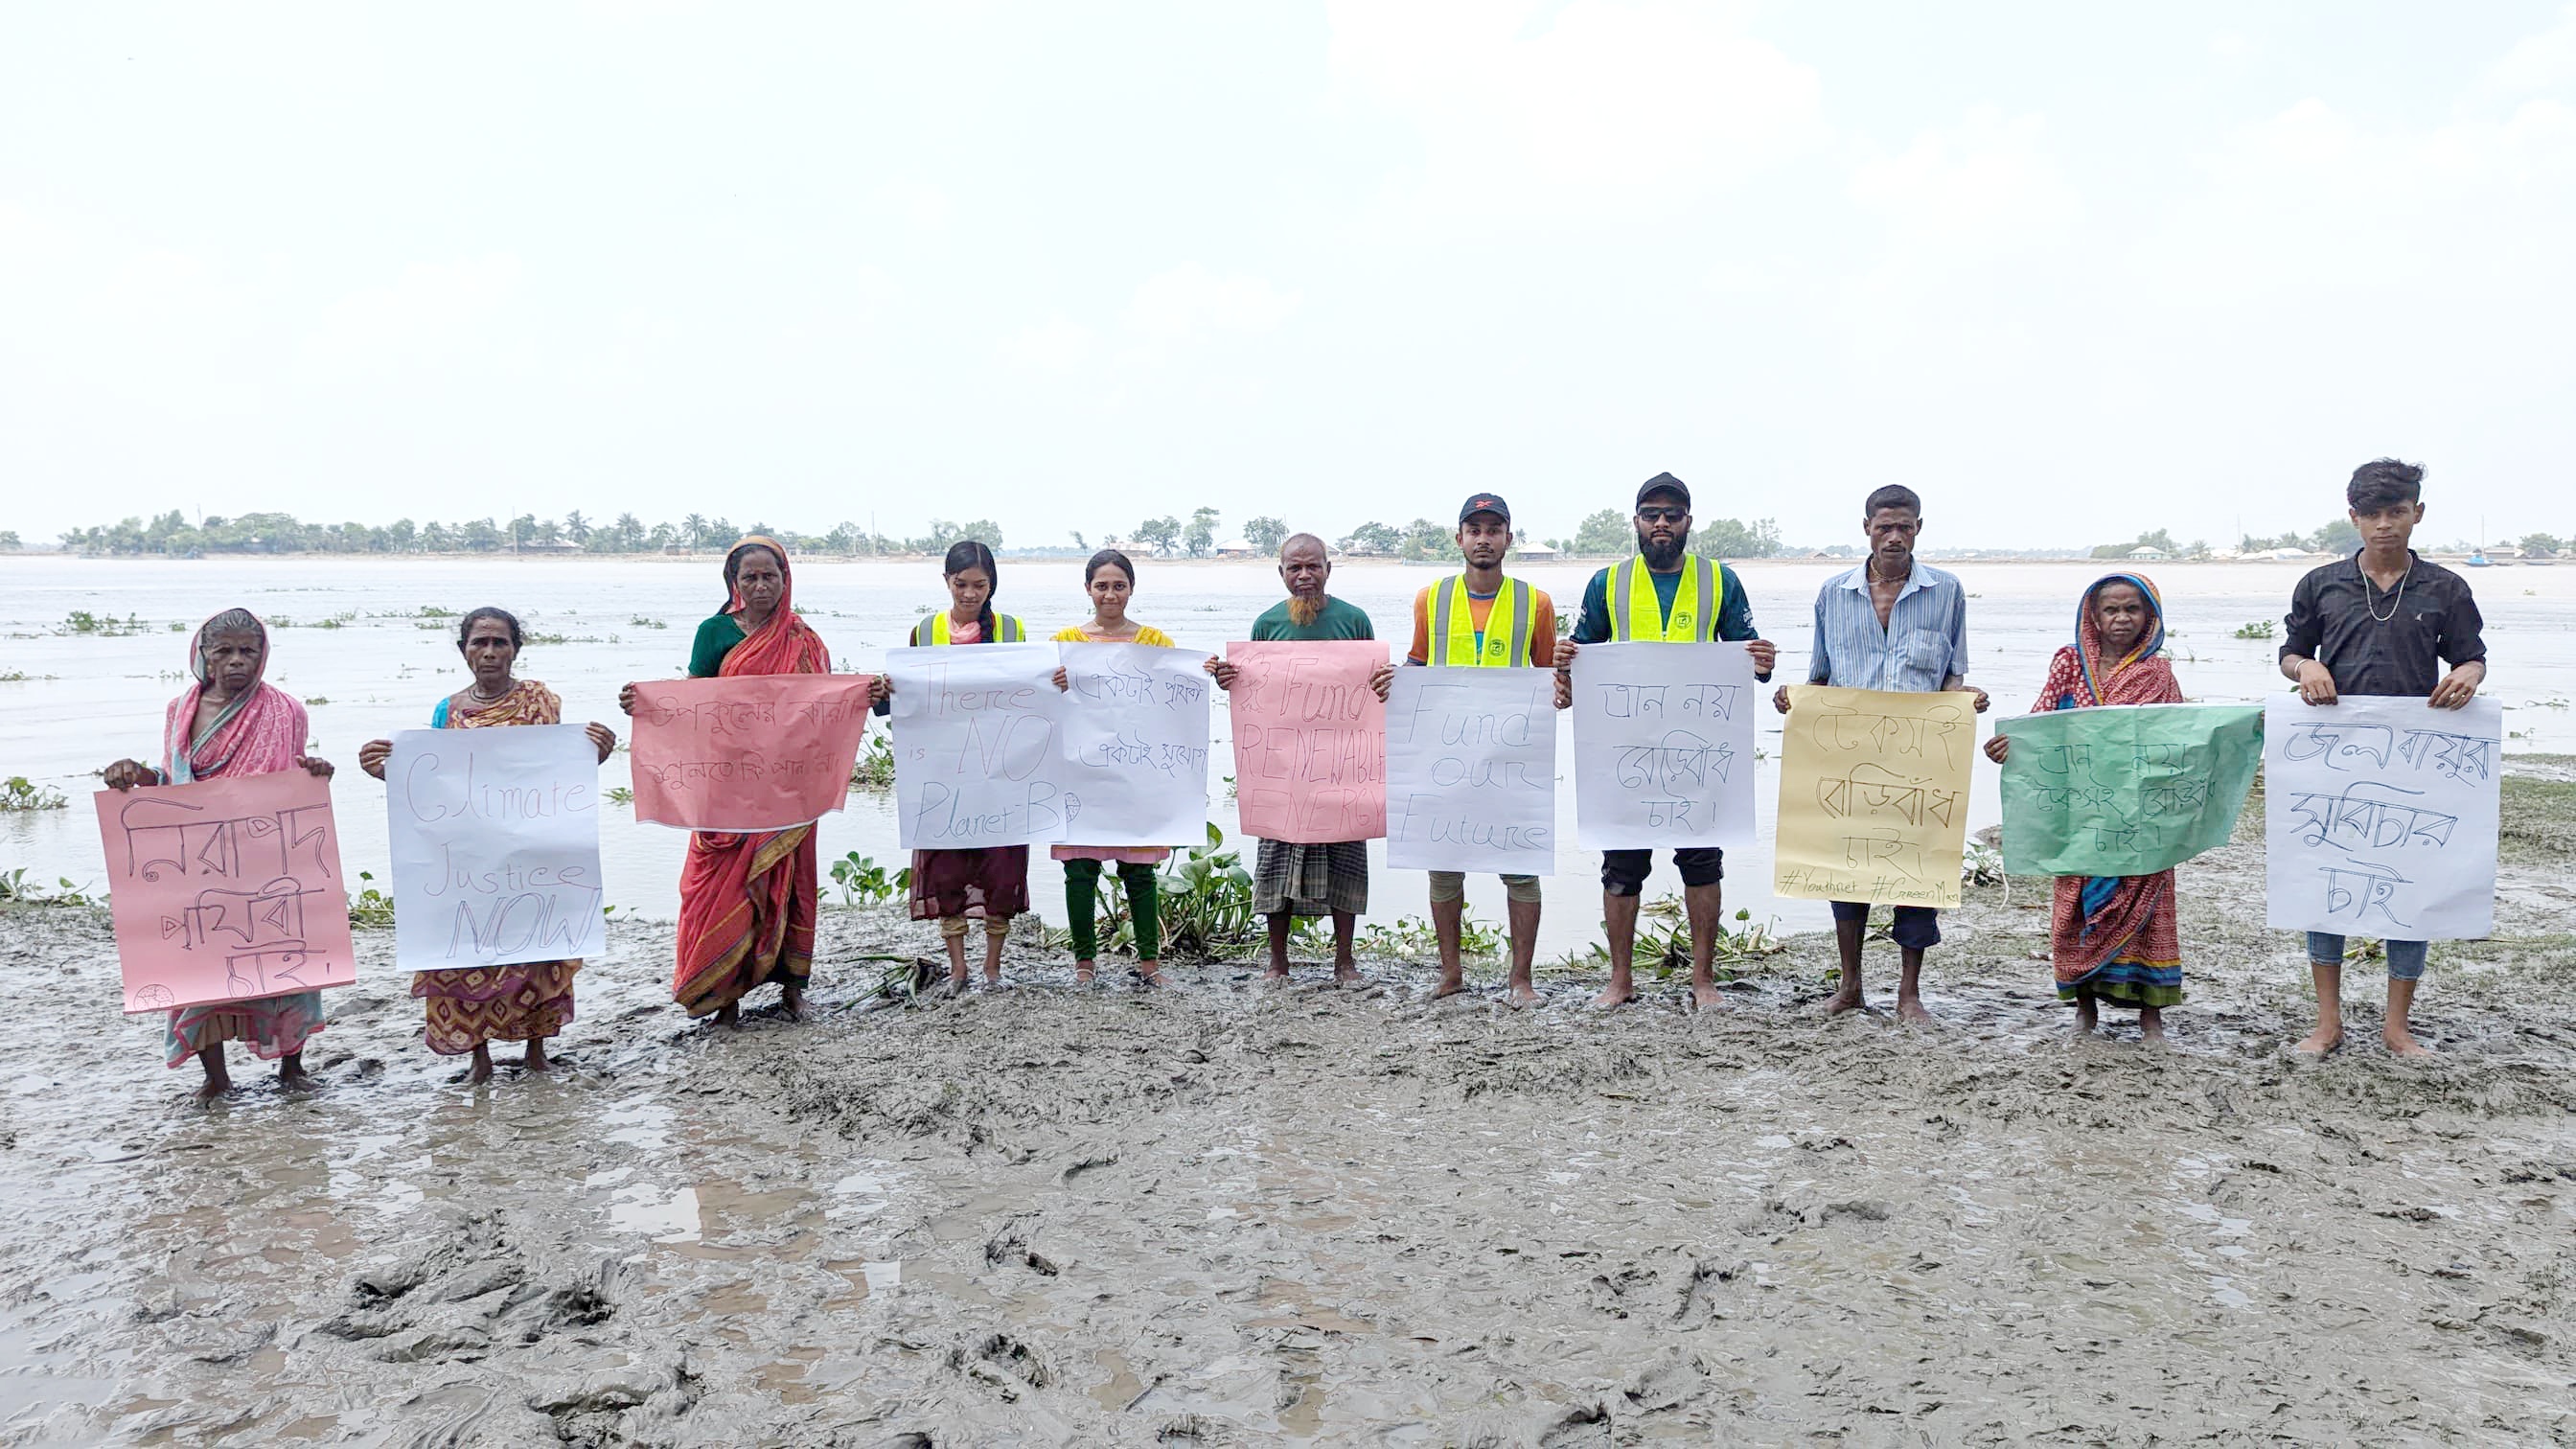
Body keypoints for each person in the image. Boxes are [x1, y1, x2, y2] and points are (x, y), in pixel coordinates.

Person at [2279, 458, 2486, 1058]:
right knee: (2325, 880)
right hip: (2330, 758)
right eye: (2371, 514)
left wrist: (2468, 676)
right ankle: (2328, 1023)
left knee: (2410, 885)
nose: (2384, 525)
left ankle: (2396, 1027)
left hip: (2416, 760)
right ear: (2354, 518)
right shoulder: (2321, 584)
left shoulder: (2446, 588)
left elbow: (2471, 656)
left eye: (2397, 512)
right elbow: (2291, 653)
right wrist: (2307, 667)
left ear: (2417, 513)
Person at [358, 608, 616, 1082]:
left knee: (538, 950)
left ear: (516, 649)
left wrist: (593, 753)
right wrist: (388, 769)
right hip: (471, 863)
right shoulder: (447, 711)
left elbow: (553, 779)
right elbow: (434, 786)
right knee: (465, 954)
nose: (490, 652)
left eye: (500, 643)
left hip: (528, 855)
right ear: (464, 651)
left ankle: (537, 1053)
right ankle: (480, 1060)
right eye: (480, 643)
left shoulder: (541, 703)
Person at [1553, 473, 1778, 1011]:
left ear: (1688, 523)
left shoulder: (1720, 580)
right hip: (1626, 753)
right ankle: (1621, 979)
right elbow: (1584, 656)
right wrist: (1564, 665)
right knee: (1622, 865)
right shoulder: (1606, 584)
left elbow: (1744, 655)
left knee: (1703, 862)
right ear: (1634, 520)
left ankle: (1703, 981)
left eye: (1672, 515)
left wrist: (1763, 663)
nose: (1661, 524)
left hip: (1699, 755)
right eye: (1651, 514)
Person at [1773, 483, 1989, 1023]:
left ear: (1919, 528)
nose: (1894, 536)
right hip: (1848, 758)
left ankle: (1909, 993)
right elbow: (1820, 676)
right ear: (1865, 527)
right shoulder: (1833, 593)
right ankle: (1850, 985)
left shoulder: (1946, 590)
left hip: (1921, 760)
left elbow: (1952, 674)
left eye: (1905, 526)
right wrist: (1793, 699)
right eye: (1884, 526)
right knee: (1846, 871)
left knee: (1918, 871)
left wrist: (1966, 700)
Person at [101, 609, 335, 1102]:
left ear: (262, 655)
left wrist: (313, 772)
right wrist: (137, 777)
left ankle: (292, 1068)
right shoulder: (181, 709)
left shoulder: (285, 710)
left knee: (282, 954)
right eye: (223, 651)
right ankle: (216, 1077)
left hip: (265, 852)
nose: (235, 662)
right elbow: (173, 785)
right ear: (202, 656)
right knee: (201, 962)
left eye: (247, 651)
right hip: (201, 856)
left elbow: (287, 784)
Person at [618, 537, 828, 1025]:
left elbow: (822, 708)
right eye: (749, 577)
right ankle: (722, 996)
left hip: (785, 786)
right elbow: (693, 702)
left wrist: (868, 693)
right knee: (717, 886)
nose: (760, 586)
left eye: (768, 576)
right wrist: (646, 705)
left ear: (785, 579)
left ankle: (793, 990)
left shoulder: (805, 639)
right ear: (733, 583)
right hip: (726, 784)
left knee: (792, 882)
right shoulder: (713, 633)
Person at [1982, 575, 2184, 1041]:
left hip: (2138, 818)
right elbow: (2043, 721)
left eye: (2131, 609)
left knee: (2147, 910)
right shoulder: (2069, 663)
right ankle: (2085, 1007)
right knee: (2076, 906)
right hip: (2080, 810)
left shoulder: (2158, 674)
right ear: (2092, 615)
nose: (2121, 619)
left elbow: (2178, 739)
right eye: (2110, 610)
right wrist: (2012, 745)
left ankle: (2150, 1016)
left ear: (2148, 615)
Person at [1205, 533, 1393, 984]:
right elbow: (1253, 694)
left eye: (1313, 567)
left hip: (1342, 766)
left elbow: (1372, 686)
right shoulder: (1267, 625)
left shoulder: (1354, 621)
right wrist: (1228, 678)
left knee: (1347, 858)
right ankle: (1277, 962)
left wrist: (1388, 680)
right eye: (1295, 568)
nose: (1304, 575)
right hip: (1285, 770)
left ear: (1328, 569)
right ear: (1282, 573)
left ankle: (1345, 961)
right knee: (1275, 862)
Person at [1399, 493, 1559, 1004]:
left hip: (1511, 760)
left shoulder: (1536, 603)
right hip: (1445, 756)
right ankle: (1451, 974)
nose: (1484, 538)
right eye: (1475, 529)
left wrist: (1565, 689)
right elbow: (1419, 663)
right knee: (1443, 865)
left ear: (1509, 538)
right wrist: (1395, 683)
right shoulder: (1431, 598)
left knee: (1522, 866)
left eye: (1494, 529)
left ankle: (1521, 979)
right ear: (1459, 537)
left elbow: (1547, 678)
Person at [870, 540, 1031, 994]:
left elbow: (1028, 693)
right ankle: (959, 968)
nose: (969, 594)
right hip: (942, 773)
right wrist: (883, 693)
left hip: (1000, 770)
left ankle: (993, 968)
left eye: (979, 585)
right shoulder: (924, 632)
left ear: (992, 585)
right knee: (948, 870)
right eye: (961, 584)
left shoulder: (1013, 629)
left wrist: (1052, 681)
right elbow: (904, 703)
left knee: (1001, 870)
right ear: (946, 582)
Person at [1047, 548, 1176, 989]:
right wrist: (1055, 684)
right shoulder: (1065, 642)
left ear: (1131, 589)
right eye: (1101, 585)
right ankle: (1084, 961)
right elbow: (1044, 704)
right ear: (1087, 589)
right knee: (1079, 869)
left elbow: (1176, 701)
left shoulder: (1155, 643)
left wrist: (1206, 672)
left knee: (1139, 870)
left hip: (1134, 772)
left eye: (1118, 585)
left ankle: (1149, 962)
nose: (1110, 593)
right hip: (1081, 774)